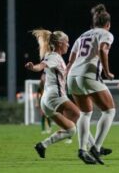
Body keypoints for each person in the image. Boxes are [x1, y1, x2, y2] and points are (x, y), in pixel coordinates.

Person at [24, 29, 96, 163]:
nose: (68, 45)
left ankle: (42, 145)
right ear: (59, 43)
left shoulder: (57, 58)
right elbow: (42, 65)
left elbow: (58, 72)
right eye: (67, 42)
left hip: (47, 101)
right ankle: (90, 149)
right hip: (54, 96)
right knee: (80, 116)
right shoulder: (53, 56)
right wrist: (33, 67)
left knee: (71, 130)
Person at [66, 4, 115, 165]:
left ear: (93, 23)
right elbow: (102, 50)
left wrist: (65, 77)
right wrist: (107, 72)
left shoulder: (82, 36)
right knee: (109, 111)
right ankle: (97, 147)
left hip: (72, 76)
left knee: (85, 114)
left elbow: (71, 59)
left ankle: (82, 149)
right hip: (87, 75)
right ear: (108, 24)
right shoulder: (106, 34)